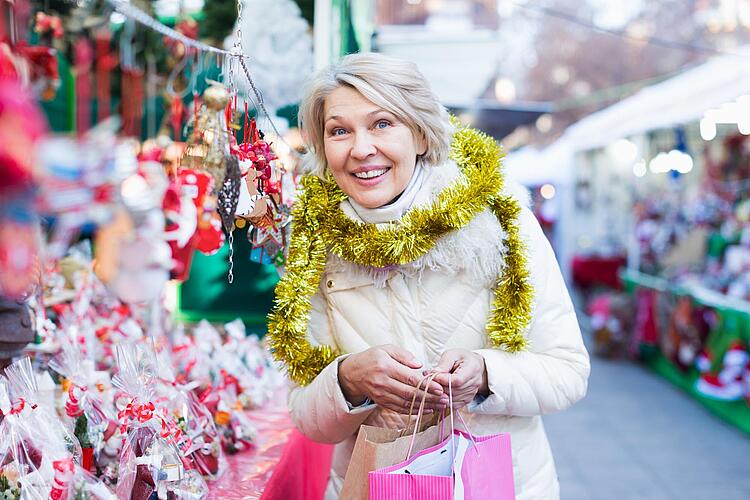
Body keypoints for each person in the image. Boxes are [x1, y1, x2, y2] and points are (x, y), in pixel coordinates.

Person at [267, 52, 590, 500]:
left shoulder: (501, 224)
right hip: (373, 486)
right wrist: (347, 380)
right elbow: (305, 414)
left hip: (500, 486)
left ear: (419, 133)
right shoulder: (313, 246)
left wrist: (484, 374)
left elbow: (567, 372)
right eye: (340, 131)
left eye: (382, 124)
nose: (361, 149)